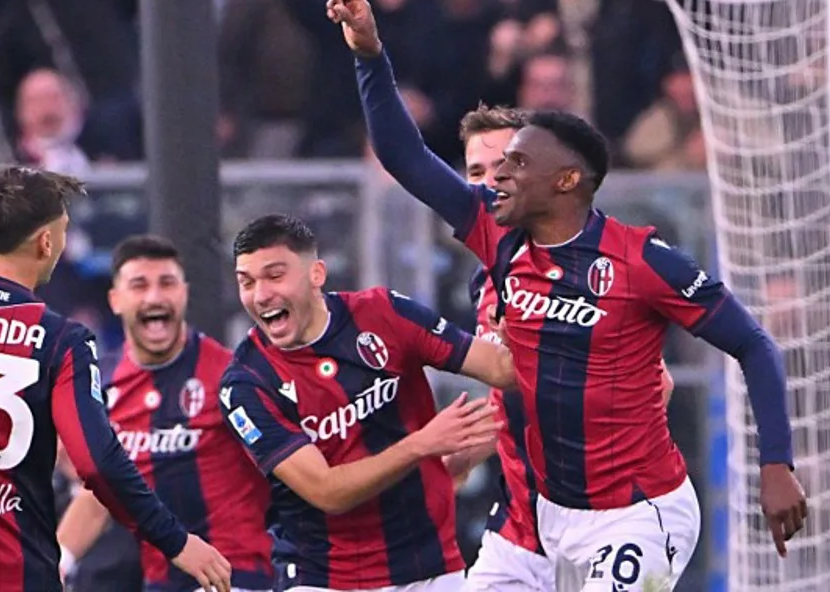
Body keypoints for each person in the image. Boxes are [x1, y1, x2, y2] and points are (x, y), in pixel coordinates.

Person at [328, 0, 806, 591]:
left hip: (636, 513)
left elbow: (753, 344)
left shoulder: (643, 262)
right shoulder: (495, 236)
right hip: (536, 521)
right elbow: (405, 156)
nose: (494, 178)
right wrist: (369, 55)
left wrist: (777, 464)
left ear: (566, 180)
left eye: (515, 164)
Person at [0, 166, 231, 592]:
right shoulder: (60, 341)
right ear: (46, 241)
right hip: (14, 575)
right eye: (64, 230)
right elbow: (97, 462)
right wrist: (176, 541)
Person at [442, 105, 676, 591]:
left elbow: (660, 384)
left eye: (506, 163)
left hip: (605, 518)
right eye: (476, 173)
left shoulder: (597, 266)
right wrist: (466, 451)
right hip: (520, 526)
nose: (491, 182)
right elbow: (517, 397)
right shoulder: (486, 280)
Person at [218, 214, 518, 591]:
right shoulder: (246, 384)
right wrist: (420, 446)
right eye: (247, 282)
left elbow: (502, 370)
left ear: (316, 274)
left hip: (430, 565)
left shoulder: (384, 313)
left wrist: (519, 332)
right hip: (324, 578)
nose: (260, 295)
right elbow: (326, 491)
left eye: (275, 276)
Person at [57, 235, 273, 592]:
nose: (155, 297)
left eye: (167, 283)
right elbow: (100, 495)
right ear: (116, 300)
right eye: (139, 285)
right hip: (160, 582)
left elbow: (287, 474)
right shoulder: (106, 390)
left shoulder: (233, 377)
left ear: (184, 294)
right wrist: (57, 562)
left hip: (238, 578)